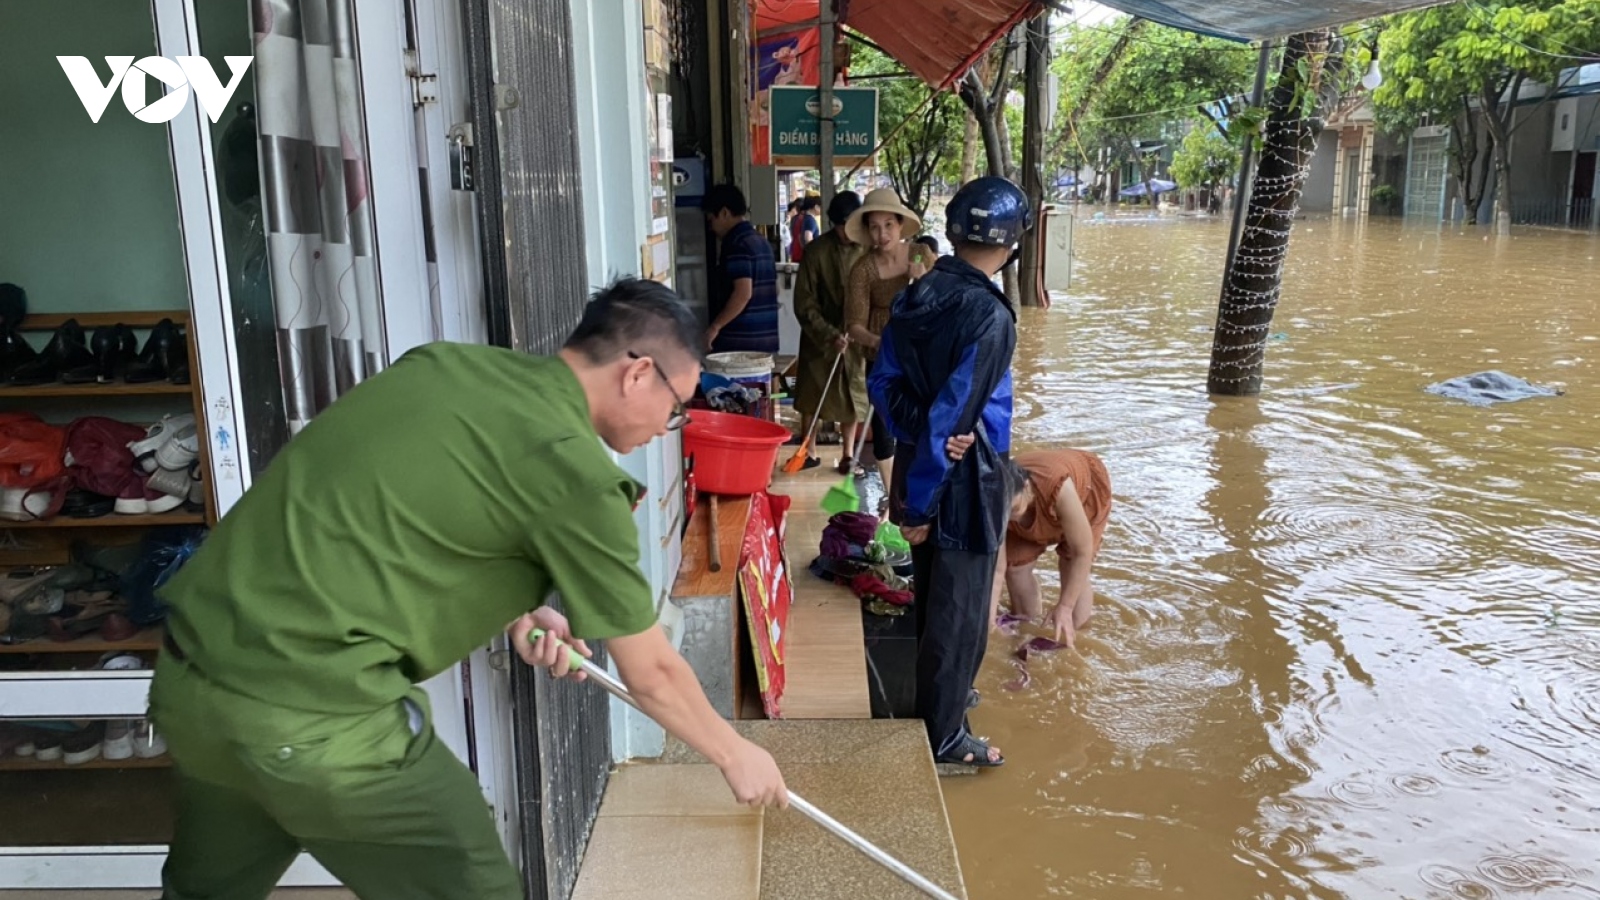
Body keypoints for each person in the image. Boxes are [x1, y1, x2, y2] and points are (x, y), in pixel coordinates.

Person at [148, 279, 788, 900]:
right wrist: (733, 754)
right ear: (638, 373)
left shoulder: (445, 366)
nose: (667, 426)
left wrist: (517, 607)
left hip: (192, 688)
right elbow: (651, 671)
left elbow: (410, 510)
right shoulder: (579, 476)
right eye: (677, 408)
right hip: (319, 724)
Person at [867, 176, 1032, 769]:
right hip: (962, 476)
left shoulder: (918, 291)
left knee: (934, 597)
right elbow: (954, 417)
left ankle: (944, 700)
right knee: (959, 610)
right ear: (1012, 244)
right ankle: (946, 736)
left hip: (925, 464)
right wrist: (923, 503)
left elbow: (881, 384)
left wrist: (914, 452)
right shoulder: (989, 316)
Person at [947, 442, 1113, 647]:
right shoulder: (997, 505)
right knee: (1015, 568)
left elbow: (1082, 552)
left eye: (1013, 510)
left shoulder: (1058, 488)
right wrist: (988, 622)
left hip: (1083, 489)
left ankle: (1073, 637)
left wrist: (1065, 606)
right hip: (1028, 500)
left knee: (1071, 563)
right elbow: (998, 570)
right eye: (1003, 514)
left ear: (1025, 488)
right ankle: (1027, 626)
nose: (1009, 519)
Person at [842, 188, 931, 480]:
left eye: (889, 225)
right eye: (875, 227)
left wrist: (923, 283)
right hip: (881, 360)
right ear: (867, 231)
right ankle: (894, 499)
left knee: (923, 423)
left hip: (921, 357)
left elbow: (946, 304)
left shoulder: (921, 254)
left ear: (900, 225)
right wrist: (877, 342)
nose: (882, 234)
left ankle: (920, 491)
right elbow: (854, 324)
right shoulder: (863, 269)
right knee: (884, 431)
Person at [792, 190, 867, 466]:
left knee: (853, 394)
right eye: (838, 226)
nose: (844, 233)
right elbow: (804, 302)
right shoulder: (816, 251)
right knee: (812, 394)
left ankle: (848, 454)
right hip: (819, 336)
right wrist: (827, 333)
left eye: (848, 226)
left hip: (856, 336)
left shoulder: (869, 249)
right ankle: (808, 450)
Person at [704, 184, 780, 353]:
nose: (711, 228)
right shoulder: (760, 241)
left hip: (740, 344)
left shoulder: (736, 243)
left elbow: (743, 293)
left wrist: (715, 327)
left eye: (711, 220)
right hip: (766, 341)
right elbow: (776, 289)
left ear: (724, 213)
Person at [789, 195, 820, 263]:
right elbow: (808, 238)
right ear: (816, 207)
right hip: (806, 257)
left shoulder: (796, 218)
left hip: (796, 254)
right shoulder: (810, 220)